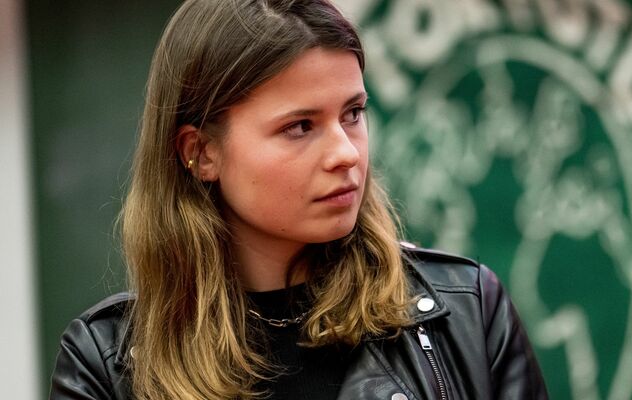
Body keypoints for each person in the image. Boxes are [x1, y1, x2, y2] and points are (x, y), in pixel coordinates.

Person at [49, 0, 548, 399]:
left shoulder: (464, 312)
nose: (345, 153)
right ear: (201, 153)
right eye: (299, 126)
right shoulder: (109, 362)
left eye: (353, 113)